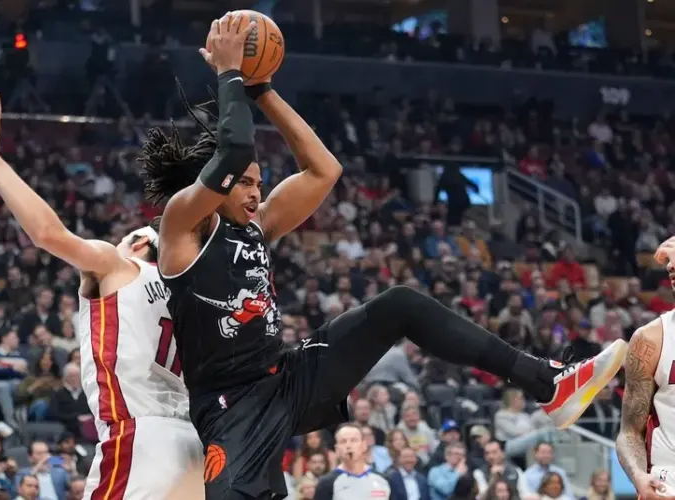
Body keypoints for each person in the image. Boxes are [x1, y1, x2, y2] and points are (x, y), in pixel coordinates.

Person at [143, 11, 627, 500]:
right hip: (231, 407)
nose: (254, 192)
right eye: (245, 183)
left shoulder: (260, 225)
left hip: (288, 379)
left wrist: (262, 90)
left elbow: (323, 171)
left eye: (259, 183)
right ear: (214, 184)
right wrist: (229, 74)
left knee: (399, 304)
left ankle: (547, 382)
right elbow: (233, 149)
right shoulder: (183, 224)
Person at [0, 91, 203, 499]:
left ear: (135, 244)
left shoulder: (119, 265)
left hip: (139, 435)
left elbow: (47, 234)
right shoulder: (189, 290)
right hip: (193, 443)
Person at [616, 238, 675, 500]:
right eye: (670, 268)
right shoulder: (650, 339)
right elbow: (629, 432)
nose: (671, 268)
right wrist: (639, 476)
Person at [313, 423, 391, 499]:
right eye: (343, 441)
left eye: (354, 440)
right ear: (337, 449)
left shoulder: (382, 480)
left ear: (364, 445)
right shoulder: (326, 484)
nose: (348, 445)